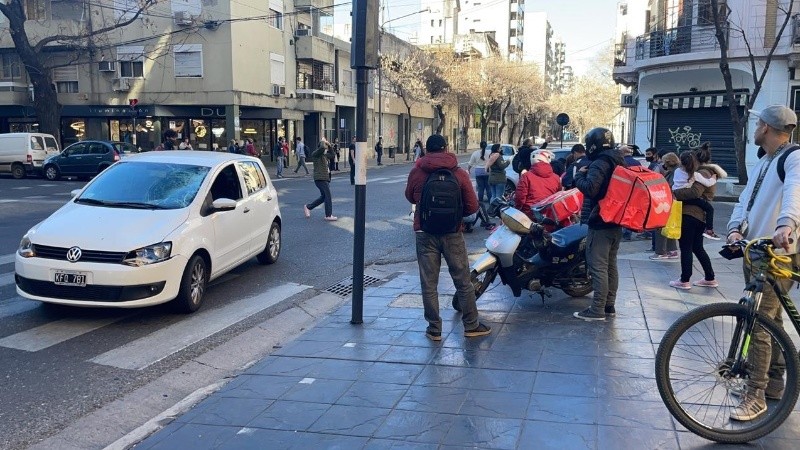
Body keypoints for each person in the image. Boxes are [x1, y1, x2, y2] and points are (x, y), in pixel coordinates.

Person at [726, 105, 800, 421]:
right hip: (755, 250)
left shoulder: (793, 157)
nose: (755, 129)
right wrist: (734, 228)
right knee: (772, 320)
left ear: (765, 127)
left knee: (758, 321)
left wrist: (786, 224)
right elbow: (746, 200)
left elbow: (796, 191)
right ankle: (774, 383)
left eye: (757, 124)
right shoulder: (765, 161)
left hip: (778, 253)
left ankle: (755, 394)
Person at [404, 134, 491, 340]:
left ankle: (434, 329)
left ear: (427, 149)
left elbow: (409, 196)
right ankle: (471, 325)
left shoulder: (417, 171)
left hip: (425, 232)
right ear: (446, 148)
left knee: (429, 283)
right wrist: (454, 216)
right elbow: (472, 206)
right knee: (463, 281)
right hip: (452, 233)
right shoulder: (458, 173)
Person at [573, 127, 625, 321]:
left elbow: (591, 189)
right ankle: (609, 305)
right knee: (611, 265)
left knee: (598, 266)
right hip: (616, 220)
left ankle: (597, 310)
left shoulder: (600, 163)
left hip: (601, 221)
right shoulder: (618, 160)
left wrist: (579, 176)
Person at [668, 150, 721, 290]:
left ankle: (684, 280)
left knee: (686, 247)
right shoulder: (705, 172)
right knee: (697, 247)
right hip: (699, 215)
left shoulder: (702, 173)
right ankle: (710, 277)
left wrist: (674, 193)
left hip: (690, 214)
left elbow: (694, 192)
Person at [672, 142, 723, 240]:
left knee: (688, 245)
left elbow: (694, 192)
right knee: (709, 209)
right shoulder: (695, 173)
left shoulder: (679, 171)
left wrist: (673, 193)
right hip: (693, 211)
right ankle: (709, 230)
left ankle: (709, 230)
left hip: (689, 210)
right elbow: (704, 185)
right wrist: (714, 178)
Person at [649, 152, 680, 260]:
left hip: (666, 202)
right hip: (671, 202)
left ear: (668, 162)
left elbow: (669, 185)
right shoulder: (675, 170)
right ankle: (672, 250)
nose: (662, 164)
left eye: (663, 162)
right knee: (669, 226)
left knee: (660, 226)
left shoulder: (674, 172)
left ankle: (660, 252)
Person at [515, 149, 561, 219]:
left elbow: (520, 197)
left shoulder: (526, 176)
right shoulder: (556, 177)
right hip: (549, 215)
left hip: (530, 214)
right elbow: (558, 196)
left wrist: (517, 209)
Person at [303, 138, 337, 221]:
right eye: (325, 148)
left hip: (325, 178)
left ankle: (308, 207)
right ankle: (328, 215)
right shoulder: (316, 154)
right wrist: (323, 141)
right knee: (328, 196)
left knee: (324, 197)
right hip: (320, 178)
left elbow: (332, 155)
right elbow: (321, 148)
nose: (326, 149)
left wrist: (329, 146)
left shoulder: (324, 156)